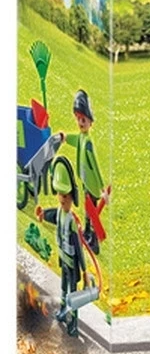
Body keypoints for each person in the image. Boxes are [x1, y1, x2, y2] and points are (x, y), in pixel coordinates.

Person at [36, 156, 89, 338]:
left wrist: (84, 271)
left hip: (72, 264)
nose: (61, 199)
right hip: (63, 260)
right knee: (64, 289)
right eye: (59, 194)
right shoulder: (59, 213)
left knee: (73, 294)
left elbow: (79, 248)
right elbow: (52, 216)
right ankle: (62, 312)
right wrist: (43, 214)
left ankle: (73, 322)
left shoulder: (72, 221)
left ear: (72, 197)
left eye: (65, 196)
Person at [62, 90, 109, 254]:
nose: (80, 123)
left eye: (83, 120)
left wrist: (102, 189)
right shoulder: (82, 138)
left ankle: (93, 240)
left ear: (90, 122)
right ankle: (88, 234)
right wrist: (65, 138)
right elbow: (76, 140)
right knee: (88, 210)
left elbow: (95, 166)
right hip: (86, 182)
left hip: (92, 185)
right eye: (78, 119)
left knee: (92, 212)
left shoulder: (88, 142)